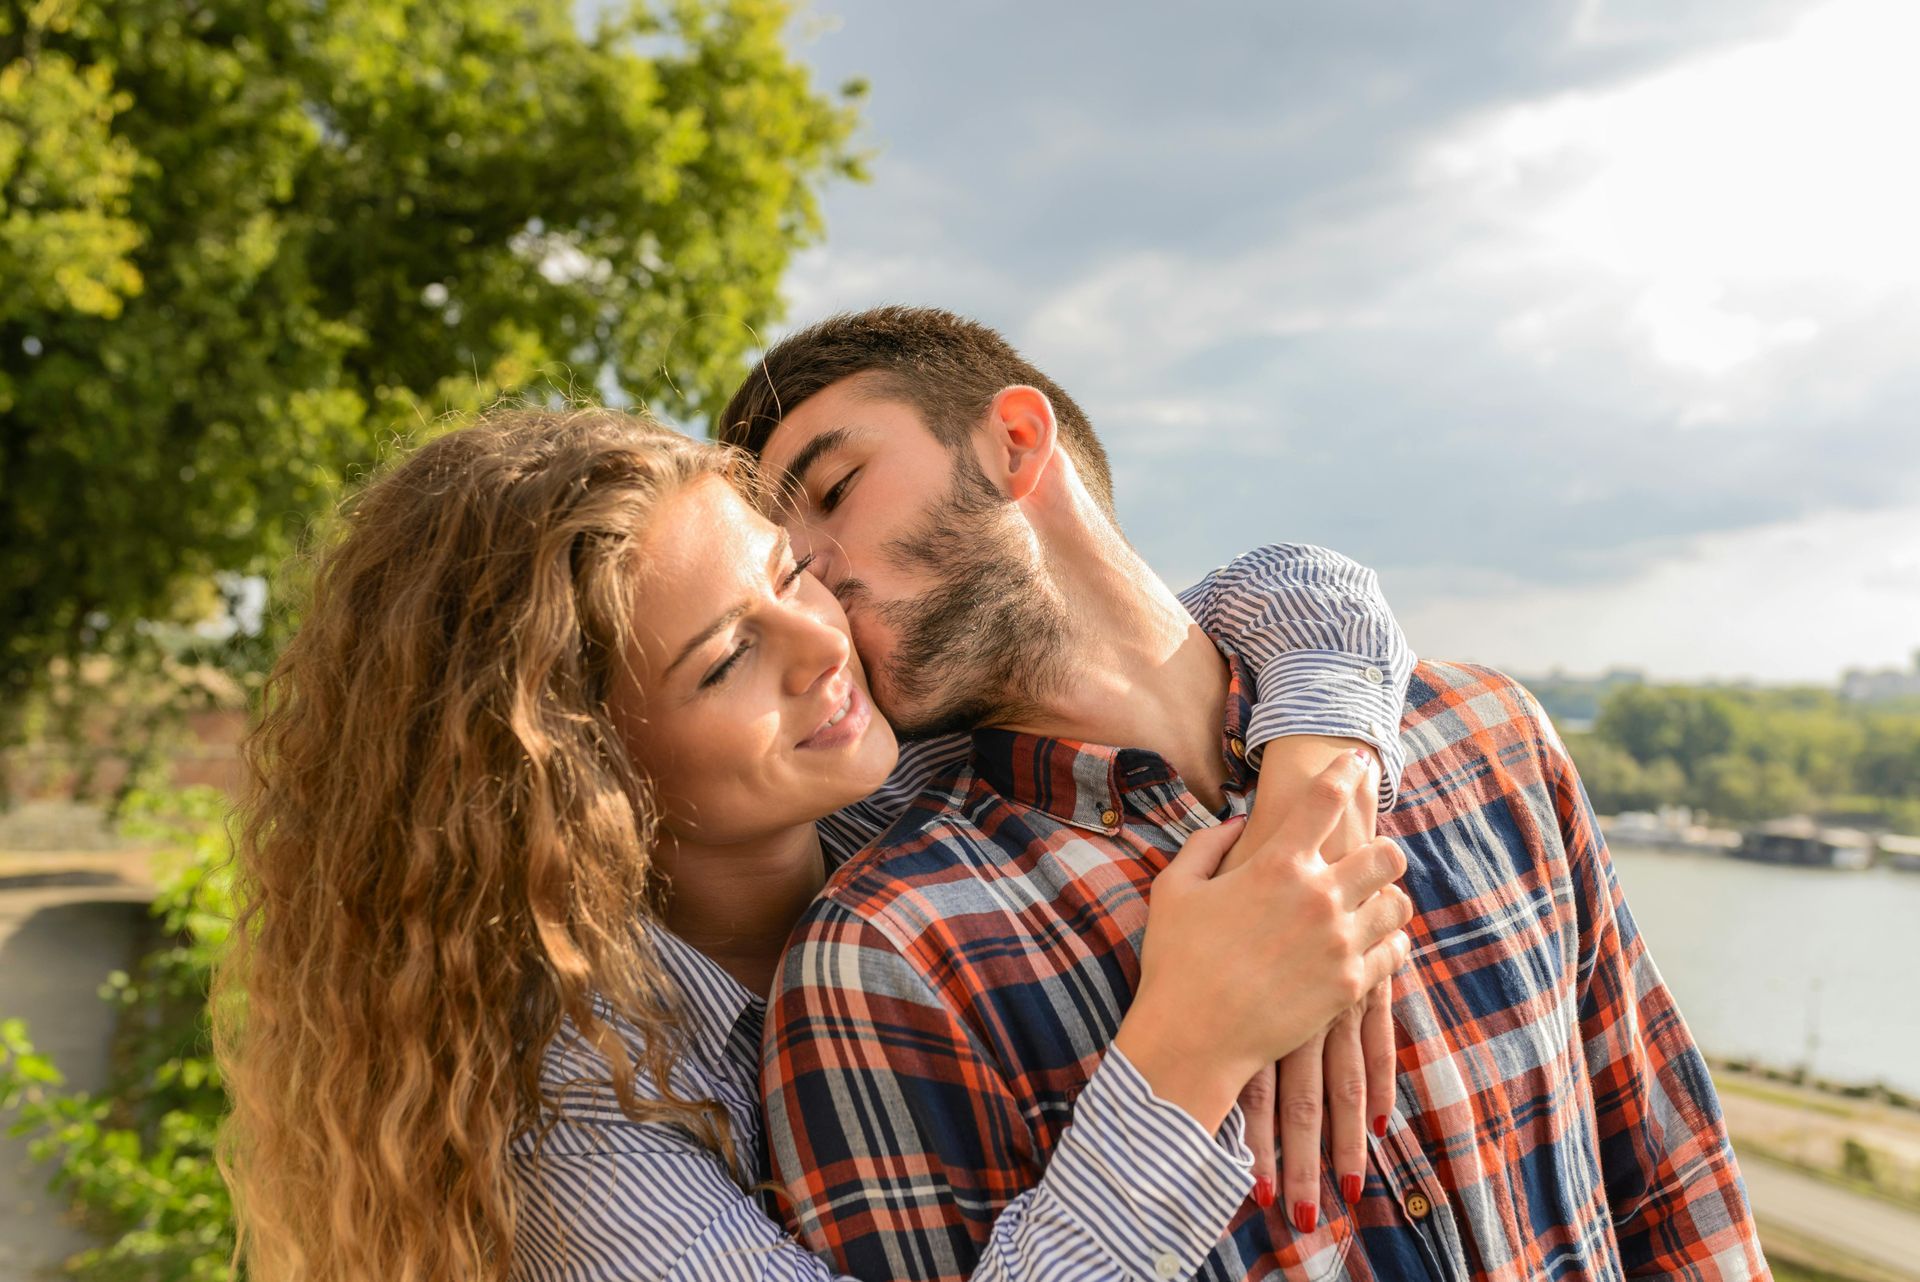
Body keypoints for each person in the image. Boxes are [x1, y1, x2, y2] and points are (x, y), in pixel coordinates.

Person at [214, 405, 1422, 1282]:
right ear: (579, 774)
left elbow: (1281, 596)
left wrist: (1311, 804)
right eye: (729, 657)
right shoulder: (575, 1120)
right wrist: (1187, 1051)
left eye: (793, 570)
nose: (823, 642)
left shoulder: (902, 778)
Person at [720, 307, 1769, 1282]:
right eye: (781, 566)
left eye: (835, 488)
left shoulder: (1489, 738)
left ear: (1016, 444)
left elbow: (1676, 1192)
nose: (811, 572)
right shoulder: (884, 960)